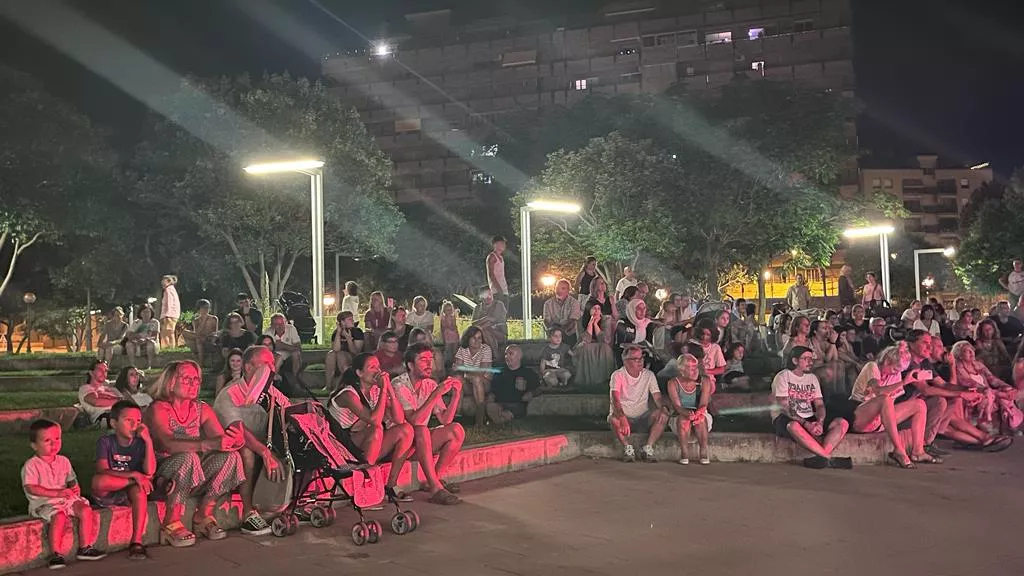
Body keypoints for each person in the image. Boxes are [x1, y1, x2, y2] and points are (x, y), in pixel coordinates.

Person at [145, 360, 247, 547]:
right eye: (186, 379)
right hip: (163, 476)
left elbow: (220, 441)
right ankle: (170, 523)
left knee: (230, 457)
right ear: (170, 382)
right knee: (188, 457)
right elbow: (167, 443)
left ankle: (204, 516)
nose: (193, 384)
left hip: (193, 473)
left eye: (196, 379)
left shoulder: (202, 409)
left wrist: (234, 441)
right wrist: (206, 444)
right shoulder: (158, 409)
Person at [212, 346, 289, 537]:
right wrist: (264, 452)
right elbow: (238, 431)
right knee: (246, 451)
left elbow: (289, 410)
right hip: (231, 446)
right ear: (248, 367)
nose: (271, 368)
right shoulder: (229, 394)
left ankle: (288, 503)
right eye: (265, 364)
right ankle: (248, 512)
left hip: (262, 442)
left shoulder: (269, 391)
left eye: (272, 363)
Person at [328, 353, 415, 502]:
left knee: (406, 430)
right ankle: (365, 488)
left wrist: (389, 390)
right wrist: (382, 391)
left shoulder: (375, 391)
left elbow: (399, 419)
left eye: (378, 366)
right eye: (372, 367)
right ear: (359, 373)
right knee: (377, 429)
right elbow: (374, 420)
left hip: (366, 443)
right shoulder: (348, 394)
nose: (377, 371)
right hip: (344, 447)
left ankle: (391, 485)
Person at [22, 419, 106, 569]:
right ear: (34, 445)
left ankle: (85, 547)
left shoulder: (63, 461)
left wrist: (74, 487)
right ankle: (55, 554)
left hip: (65, 499)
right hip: (44, 502)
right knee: (59, 516)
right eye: (47, 440)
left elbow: (71, 478)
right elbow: (31, 488)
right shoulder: (32, 465)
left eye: (57, 439)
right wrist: (56, 492)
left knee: (86, 510)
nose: (54, 444)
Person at [392, 342, 464, 505]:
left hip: (419, 443)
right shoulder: (399, 384)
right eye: (423, 360)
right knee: (421, 430)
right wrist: (435, 394)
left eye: (430, 359)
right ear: (410, 365)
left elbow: (445, 420)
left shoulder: (429, 384)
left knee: (456, 430)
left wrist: (456, 395)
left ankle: (434, 479)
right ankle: (435, 488)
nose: (428, 364)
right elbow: (414, 421)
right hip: (400, 445)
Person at [847, 347, 932, 469]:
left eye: (900, 370)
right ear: (887, 361)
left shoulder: (895, 375)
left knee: (919, 404)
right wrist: (903, 382)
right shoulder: (872, 367)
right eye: (895, 368)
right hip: (859, 416)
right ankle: (899, 450)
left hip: (879, 420)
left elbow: (892, 404)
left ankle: (918, 451)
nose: (896, 372)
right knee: (884, 399)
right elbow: (878, 392)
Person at [91, 401, 155, 560]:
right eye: (128, 420)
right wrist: (135, 476)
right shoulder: (106, 442)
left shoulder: (140, 443)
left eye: (139, 421)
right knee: (99, 482)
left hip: (128, 494)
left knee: (140, 491)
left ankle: (136, 542)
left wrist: (148, 441)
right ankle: (140, 483)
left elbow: (150, 471)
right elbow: (102, 470)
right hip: (109, 490)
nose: (135, 425)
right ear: (114, 423)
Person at [770, 346, 852, 469]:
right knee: (793, 426)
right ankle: (829, 459)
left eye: (811, 359)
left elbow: (819, 404)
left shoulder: (812, 378)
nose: (810, 362)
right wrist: (805, 424)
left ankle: (821, 457)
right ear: (795, 361)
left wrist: (819, 422)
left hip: (809, 416)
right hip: (786, 417)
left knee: (842, 423)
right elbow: (784, 407)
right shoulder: (783, 376)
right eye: (806, 358)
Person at [608, 345, 670, 462]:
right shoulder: (617, 375)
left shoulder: (649, 375)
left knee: (662, 415)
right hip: (624, 416)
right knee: (614, 419)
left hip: (643, 416)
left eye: (641, 358)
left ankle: (648, 448)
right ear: (626, 361)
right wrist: (622, 418)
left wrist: (664, 407)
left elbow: (657, 397)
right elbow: (615, 399)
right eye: (636, 359)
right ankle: (628, 448)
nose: (640, 361)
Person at [951, 341, 1022, 434]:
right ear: (959, 355)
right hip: (974, 397)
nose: (971, 352)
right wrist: (1000, 393)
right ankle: (1005, 424)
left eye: (972, 349)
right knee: (995, 395)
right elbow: (973, 386)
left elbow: (993, 379)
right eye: (966, 351)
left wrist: (1007, 387)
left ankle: (1009, 424)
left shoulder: (978, 364)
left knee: (1006, 391)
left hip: (990, 394)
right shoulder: (957, 368)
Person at [667, 353, 713, 465]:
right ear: (681, 370)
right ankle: (684, 453)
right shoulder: (672, 383)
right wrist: (687, 414)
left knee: (701, 420)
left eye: (695, 367)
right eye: (690, 368)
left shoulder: (705, 381)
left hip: (700, 413)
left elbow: (703, 404)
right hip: (680, 415)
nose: (695, 371)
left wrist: (697, 414)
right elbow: (677, 407)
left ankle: (703, 451)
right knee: (683, 420)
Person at [488, 345, 541, 423]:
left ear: (519, 356)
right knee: (491, 407)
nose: (507, 357)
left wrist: (531, 393)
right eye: (505, 354)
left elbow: (539, 389)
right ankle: (499, 418)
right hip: (500, 404)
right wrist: (491, 397)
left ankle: (499, 419)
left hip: (517, 405)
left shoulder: (528, 373)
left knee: (505, 414)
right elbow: (493, 392)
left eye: (510, 354)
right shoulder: (499, 373)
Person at [453, 326, 494, 427]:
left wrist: (464, 368)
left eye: (479, 338)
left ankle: (480, 420)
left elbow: (481, 372)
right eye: (474, 338)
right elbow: (458, 371)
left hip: (484, 383)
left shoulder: (486, 349)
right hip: (468, 383)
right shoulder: (462, 350)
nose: (477, 341)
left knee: (476, 379)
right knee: (457, 379)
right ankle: (457, 417)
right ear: (468, 338)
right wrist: (462, 369)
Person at [575, 302, 616, 387]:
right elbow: (584, 340)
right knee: (585, 348)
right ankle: (587, 381)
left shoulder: (606, 320)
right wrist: (590, 323)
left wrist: (595, 325)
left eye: (599, 309)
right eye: (594, 308)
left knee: (605, 348)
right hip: (586, 343)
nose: (597, 311)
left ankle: (605, 379)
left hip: (601, 344)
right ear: (588, 310)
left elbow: (605, 340)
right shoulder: (580, 321)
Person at [325, 311, 365, 392]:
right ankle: (328, 385)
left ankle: (344, 384)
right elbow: (335, 349)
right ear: (342, 322)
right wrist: (339, 333)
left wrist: (349, 339)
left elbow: (356, 352)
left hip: (352, 358)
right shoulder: (336, 333)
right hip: (337, 358)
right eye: (349, 319)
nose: (353, 321)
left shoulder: (357, 332)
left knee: (340, 354)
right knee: (331, 354)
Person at [78, 360, 122, 427]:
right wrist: (119, 401)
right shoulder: (86, 388)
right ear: (91, 373)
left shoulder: (110, 389)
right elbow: (96, 401)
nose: (103, 373)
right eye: (100, 370)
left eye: (106, 370)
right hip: (103, 416)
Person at [542, 279, 581, 347]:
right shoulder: (548, 303)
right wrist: (553, 332)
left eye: (563, 288)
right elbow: (546, 320)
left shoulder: (574, 303)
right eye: (557, 288)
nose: (559, 291)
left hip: (570, 335)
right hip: (553, 334)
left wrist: (561, 332)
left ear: (568, 290)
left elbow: (573, 320)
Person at [263, 313, 303, 379]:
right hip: (275, 354)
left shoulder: (291, 329)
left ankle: (296, 379)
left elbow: (298, 347)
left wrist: (282, 345)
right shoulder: (268, 332)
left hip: (290, 354)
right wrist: (289, 347)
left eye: (282, 323)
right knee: (279, 357)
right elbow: (266, 349)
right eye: (277, 324)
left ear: (286, 322)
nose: (280, 326)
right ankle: (272, 377)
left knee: (296, 354)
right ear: (272, 325)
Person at [614, 298, 654, 363]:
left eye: (644, 308)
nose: (642, 311)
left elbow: (650, 343)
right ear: (632, 310)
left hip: (643, 355)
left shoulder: (648, 323)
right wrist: (638, 345)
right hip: (625, 355)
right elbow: (620, 344)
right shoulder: (622, 323)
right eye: (639, 309)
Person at [182, 299, 219, 366]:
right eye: (204, 308)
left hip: (210, 338)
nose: (206, 310)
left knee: (199, 339)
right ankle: (200, 362)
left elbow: (215, 332)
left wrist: (211, 339)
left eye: (207, 308)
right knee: (187, 333)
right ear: (199, 309)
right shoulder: (196, 320)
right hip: (199, 337)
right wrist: (203, 321)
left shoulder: (214, 318)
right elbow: (197, 332)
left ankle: (201, 362)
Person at [126, 304, 160, 370]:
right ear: (140, 313)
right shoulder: (136, 323)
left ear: (151, 313)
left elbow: (155, 337)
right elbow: (130, 335)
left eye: (148, 312)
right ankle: (132, 365)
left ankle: (149, 365)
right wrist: (138, 337)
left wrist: (145, 340)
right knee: (128, 344)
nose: (146, 314)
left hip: (151, 342)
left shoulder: (155, 322)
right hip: (137, 342)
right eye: (144, 312)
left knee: (150, 344)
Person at [486, 235, 509, 307]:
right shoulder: (492, 257)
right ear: (496, 244)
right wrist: (498, 289)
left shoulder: (501, 257)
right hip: (497, 290)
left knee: (504, 312)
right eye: (502, 243)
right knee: (498, 311)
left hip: (504, 289)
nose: (504, 245)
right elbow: (491, 274)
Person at [159, 275, 181, 349]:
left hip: (169, 314)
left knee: (168, 332)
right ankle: (168, 347)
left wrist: (167, 315)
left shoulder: (168, 290)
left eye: (163, 280)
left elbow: (170, 302)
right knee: (166, 332)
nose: (162, 282)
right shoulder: (171, 289)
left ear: (168, 281)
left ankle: (169, 347)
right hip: (172, 314)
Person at [439, 300, 460, 366]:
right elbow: (443, 328)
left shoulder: (453, 317)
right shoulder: (443, 318)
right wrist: (443, 338)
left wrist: (457, 334)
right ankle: (446, 363)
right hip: (447, 336)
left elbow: (454, 326)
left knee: (455, 350)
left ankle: (454, 363)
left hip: (454, 335)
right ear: (444, 311)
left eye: (450, 309)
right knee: (447, 349)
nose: (449, 311)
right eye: (447, 310)